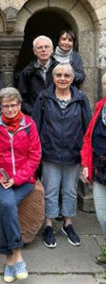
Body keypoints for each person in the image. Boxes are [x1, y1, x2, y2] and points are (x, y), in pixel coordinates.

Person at [32, 63, 91, 249]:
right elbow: (36, 125)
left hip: (73, 153)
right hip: (51, 152)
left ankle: (68, 224)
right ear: (53, 77)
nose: (63, 78)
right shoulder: (44, 97)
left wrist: (85, 154)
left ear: (72, 78)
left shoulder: (81, 99)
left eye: (66, 75)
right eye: (59, 75)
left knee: (70, 191)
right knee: (50, 190)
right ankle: (48, 224)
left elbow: (87, 127)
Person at [0, 87, 41, 282]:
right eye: (5, 106)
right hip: (0, 180)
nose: (9, 109)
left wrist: (17, 178)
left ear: (19, 105)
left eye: (13, 105)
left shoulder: (29, 125)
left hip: (23, 180)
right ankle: (17, 254)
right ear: (0, 107)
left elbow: (35, 156)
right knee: (8, 205)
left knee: (5, 208)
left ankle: (9, 258)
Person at [81, 73, 106, 265]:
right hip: (100, 170)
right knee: (102, 215)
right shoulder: (100, 107)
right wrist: (86, 165)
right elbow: (89, 138)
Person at [17, 35, 58, 115]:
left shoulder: (60, 69)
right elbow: (21, 97)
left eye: (46, 47)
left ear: (52, 49)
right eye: (39, 47)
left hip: (57, 115)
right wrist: (32, 111)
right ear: (34, 51)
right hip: (35, 115)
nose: (43, 50)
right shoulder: (27, 72)